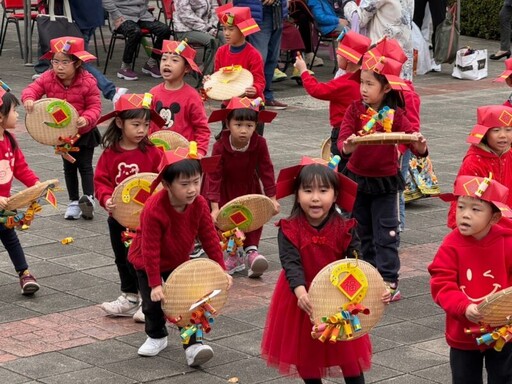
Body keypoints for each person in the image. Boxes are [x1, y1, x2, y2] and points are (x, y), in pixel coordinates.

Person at [261, 159, 391, 383]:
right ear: (297, 194)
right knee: (307, 355)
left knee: (349, 356)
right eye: (308, 190)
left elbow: (358, 264)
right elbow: (291, 264)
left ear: (335, 194)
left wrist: (378, 289)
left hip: (339, 297)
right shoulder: (289, 229)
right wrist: (301, 293)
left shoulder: (345, 227)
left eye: (323, 190)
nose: (315, 198)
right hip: (301, 298)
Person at [337, 38, 428, 300]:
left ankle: (389, 279)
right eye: (362, 83)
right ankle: (367, 274)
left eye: (369, 84)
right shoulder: (354, 110)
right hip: (358, 179)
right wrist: (350, 145)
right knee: (361, 229)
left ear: (386, 86)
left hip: (386, 181)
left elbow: (413, 138)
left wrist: (419, 144)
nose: (363, 89)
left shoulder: (396, 114)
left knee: (387, 231)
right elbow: (342, 142)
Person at [127, 149, 233, 364]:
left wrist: (221, 270)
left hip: (178, 260)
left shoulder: (200, 203)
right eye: (184, 185)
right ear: (167, 185)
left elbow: (209, 237)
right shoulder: (154, 209)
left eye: (196, 181)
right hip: (147, 262)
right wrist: (156, 284)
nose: (192, 189)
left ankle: (194, 345)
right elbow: (150, 249)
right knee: (152, 304)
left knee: (189, 301)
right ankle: (156, 336)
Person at [429, 175, 512, 384]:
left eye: (476, 209)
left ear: (493, 218)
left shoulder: (507, 241)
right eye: (461, 207)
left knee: (504, 376)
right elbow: (442, 283)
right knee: (464, 378)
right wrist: (463, 306)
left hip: (503, 330)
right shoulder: (451, 244)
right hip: (463, 331)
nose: (465, 215)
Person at [94, 94, 165, 323]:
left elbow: (163, 179)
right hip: (119, 217)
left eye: (146, 124)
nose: (142, 130)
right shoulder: (110, 154)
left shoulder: (153, 152)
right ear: (119, 123)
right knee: (122, 257)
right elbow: (101, 182)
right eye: (135, 124)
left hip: (147, 220)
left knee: (144, 258)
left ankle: (147, 301)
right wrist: (106, 199)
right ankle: (129, 297)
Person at [22, 37, 102, 221]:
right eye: (55, 61)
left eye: (65, 62)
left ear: (77, 63)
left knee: (85, 165)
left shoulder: (88, 82)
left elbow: (95, 107)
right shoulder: (48, 77)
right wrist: (28, 98)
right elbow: (33, 88)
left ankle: (88, 198)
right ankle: (74, 202)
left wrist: (86, 118)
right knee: (68, 166)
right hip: (61, 135)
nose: (59, 67)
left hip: (84, 132)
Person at [205, 97, 280, 276]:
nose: (244, 130)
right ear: (228, 123)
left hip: (249, 187)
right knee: (227, 220)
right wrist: (214, 207)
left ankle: (252, 251)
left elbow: (266, 170)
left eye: (249, 125)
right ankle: (233, 254)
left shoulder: (259, 143)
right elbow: (213, 176)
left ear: (256, 126)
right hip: (224, 189)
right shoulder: (220, 146)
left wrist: (272, 199)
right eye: (238, 124)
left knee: (253, 216)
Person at [294, 30, 371, 160]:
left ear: (348, 59)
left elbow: (316, 90)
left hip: (343, 131)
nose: (336, 54)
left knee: (341, 167)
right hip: (362, 131)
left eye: (339, 54)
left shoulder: (346, 83)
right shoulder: (366, 81)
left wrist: (303, 71)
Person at [0, 85, 41, 296]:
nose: (17, 115)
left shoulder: (10, 141)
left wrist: (35, 184)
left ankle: (25, 274)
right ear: (0, 116)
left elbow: (21, 168)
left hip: (4, 208)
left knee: (10, 238)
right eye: (14, 111)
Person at [446, 105, 512, 229]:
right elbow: (465, 199)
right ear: (485, 133)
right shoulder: (474, 162)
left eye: (508, 129)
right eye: (496, 130)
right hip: (483, 224)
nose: (503, 135)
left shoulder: (510, 154)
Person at [149, 40, 211, 156]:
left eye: (174, 60)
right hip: (156, 153)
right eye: (164, 59)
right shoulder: (153, 93)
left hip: (182, 155)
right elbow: (147, 124)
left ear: (186, 68)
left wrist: (200, 152)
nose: (167, 63)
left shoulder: (192, 96)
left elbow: (202, 128)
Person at [234, 0, 289, 110]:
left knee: (272, 58)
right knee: (259, 58)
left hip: (276, 12)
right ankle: (252, 96)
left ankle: (266, 95)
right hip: (253, 13)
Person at [344, 0, 415, 81]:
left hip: (382, 51)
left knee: (380, 88)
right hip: (401, 51)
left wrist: (347, 3)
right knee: (399, 88)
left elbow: (359, 18)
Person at [103, 0, 172, 81]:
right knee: (135, 32)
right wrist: (116, 15)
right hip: (122, 17)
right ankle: (125, 67)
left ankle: (151, 63)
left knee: (164, 30)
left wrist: (145, 10)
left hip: (143, 16)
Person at [214, 5, 265, 102]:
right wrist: (211, 82)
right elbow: (218, 76)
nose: (226, 33)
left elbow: (260, 81)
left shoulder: (253, 54)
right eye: (224, 29)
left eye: (231, 29)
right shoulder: (221, 52)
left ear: (243, 30)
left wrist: (255, 89)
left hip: (249, 102)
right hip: (229, 101)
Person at [173, 0, 225, 76]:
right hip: (185, 30)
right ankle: (206, 74)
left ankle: (224, 69)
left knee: (226, 36)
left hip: (206, 28)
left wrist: (212, 26)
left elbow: (215, 10)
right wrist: (208, 29)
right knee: (213, 42)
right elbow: (186, 17)